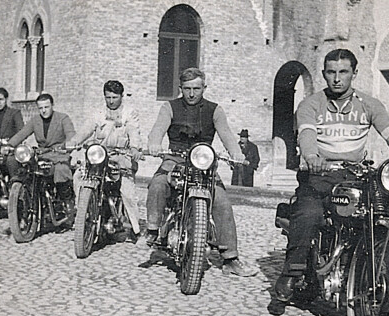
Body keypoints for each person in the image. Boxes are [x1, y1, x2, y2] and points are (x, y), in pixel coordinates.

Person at [275, 48, 389, 302]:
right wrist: (312, 158)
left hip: (357, 176)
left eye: (343, 72)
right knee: (309, 213)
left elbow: (386, 128)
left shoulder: (369, 104)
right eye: (331, 72)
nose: (337, 78)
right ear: (324, 74)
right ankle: (291, 272)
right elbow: (306, 134)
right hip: (320, 175)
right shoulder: (311, 104)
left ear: (354, 73)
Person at [146, 67, 254, 277]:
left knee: (222, 200)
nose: (192, 93)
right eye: (187, 88)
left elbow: (227, 135)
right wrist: (153, 143)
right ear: (181, 88)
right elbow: (157, 129)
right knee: (158, 183)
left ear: (204, 87)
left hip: (204, 163)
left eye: (197, 88)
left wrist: (236, 153)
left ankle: (230, 258)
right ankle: (152, 229)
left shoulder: (215, 110)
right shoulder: (169, 107)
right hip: (174, 159)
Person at [66, 80, 142, 243]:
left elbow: (134, 131)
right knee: (79, 176)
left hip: (120, 155)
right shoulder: (98, 113)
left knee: (127, 190)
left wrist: (135, 148)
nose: (111, 101)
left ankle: (135, 229)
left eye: (115, 97)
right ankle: (83, 215)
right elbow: (87, 129)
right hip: (99, 155)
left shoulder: (129, 113)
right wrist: (74, 141)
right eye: (108, 97)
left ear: (122, 96)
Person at [7, 93, 77, 223]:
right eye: (41, 108)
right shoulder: (35, 120)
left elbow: (71, 134)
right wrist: (10, 145)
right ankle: (27, 199)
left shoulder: (63, 118)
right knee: (27, 168)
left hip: (59, 154)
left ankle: (67, 203)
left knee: (61, 170)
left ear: (52, 105)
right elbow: (22, 133)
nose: (44, 110)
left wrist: (70, 144)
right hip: (42, 154)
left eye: (46, 107)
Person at [0, 87, 24, 177]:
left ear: (6, 99)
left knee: (11, 162)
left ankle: (14, 187)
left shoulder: (14, 113)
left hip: (10, 151)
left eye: (1, 99)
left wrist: (9, 146)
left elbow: (21, 132)